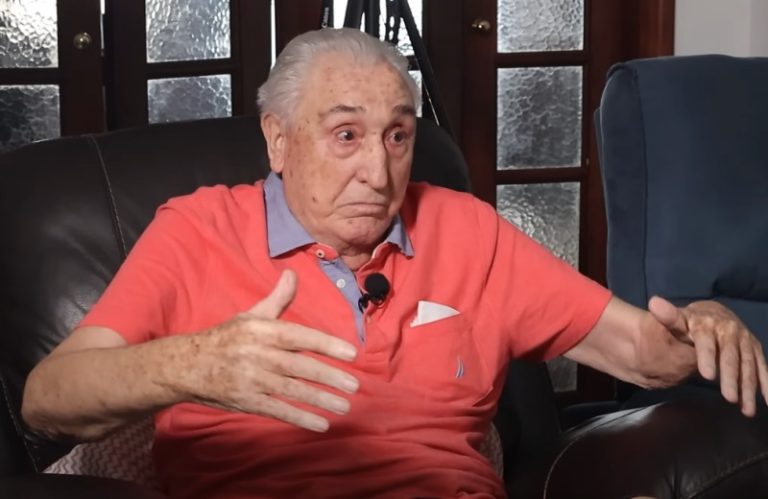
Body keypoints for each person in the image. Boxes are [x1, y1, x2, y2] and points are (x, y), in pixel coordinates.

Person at [22, 28, 768, 498]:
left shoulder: (466, 230)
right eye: (346, 136)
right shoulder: (197, 230)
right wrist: (195, 365)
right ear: (278, 141)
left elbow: (641, 350)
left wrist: (700, 327)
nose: (379, 174)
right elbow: (47, 397)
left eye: (398, 136)